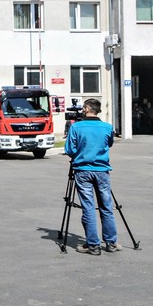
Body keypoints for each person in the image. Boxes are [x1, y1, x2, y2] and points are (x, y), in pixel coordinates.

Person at [64, 98, 119, 255]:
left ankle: (93, 245)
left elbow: (69, 149)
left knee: (88, 207)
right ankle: (111, 243)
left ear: (87, 108)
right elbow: (108, 144)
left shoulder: (76, 127)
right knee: (106, 207)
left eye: (83, 108)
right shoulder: (107, 127)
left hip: (83, 170)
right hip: (102, 170)